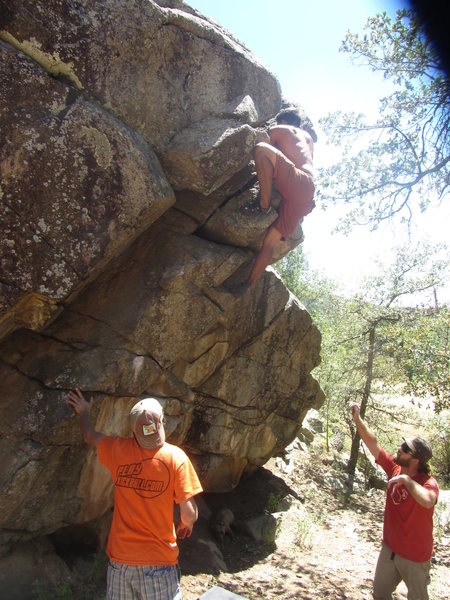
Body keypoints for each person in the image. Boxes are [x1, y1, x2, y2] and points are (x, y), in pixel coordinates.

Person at [66, 387, 203, 600]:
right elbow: (189, 514)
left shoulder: (117, 450)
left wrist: (83, 412)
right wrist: (188, 523)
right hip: (159, 562)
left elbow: (89, 436)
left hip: (121, 561)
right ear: (161, 425)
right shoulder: (176, 458)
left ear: (133, 431)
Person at [350, 402, 439, 600]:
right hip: (390, 548)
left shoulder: (428, 482)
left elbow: (428, 501)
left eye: (406, 448)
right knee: (380, 593)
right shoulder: (395, 468)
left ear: (415, 460)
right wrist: (357, 419)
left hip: (415, 557)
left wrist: (407, 481)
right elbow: (373, 444)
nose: (400, 449)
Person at [232, 109, 316, 294]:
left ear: (284, 120)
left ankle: (263, 204)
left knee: (261, 149)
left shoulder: (282, 128)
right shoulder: (308, 138)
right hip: (307, 193)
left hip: (296, 181)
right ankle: (248, 284)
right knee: (270, 242)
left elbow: (265, 144)